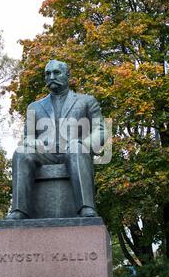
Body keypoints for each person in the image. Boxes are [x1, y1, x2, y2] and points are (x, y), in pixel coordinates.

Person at [8, 59, 106, 219]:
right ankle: (19, 210)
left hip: (75, 151)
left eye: (56, 72)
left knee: (76, 148)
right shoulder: (34, 107)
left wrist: (84, 144)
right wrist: (31, 142)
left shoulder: (86, 101)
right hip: (45, 154)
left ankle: (86, 208)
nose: (51, 76)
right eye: (48, 74)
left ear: (67, 75)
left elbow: (100, 131)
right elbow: (28, 137)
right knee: (21, 152)